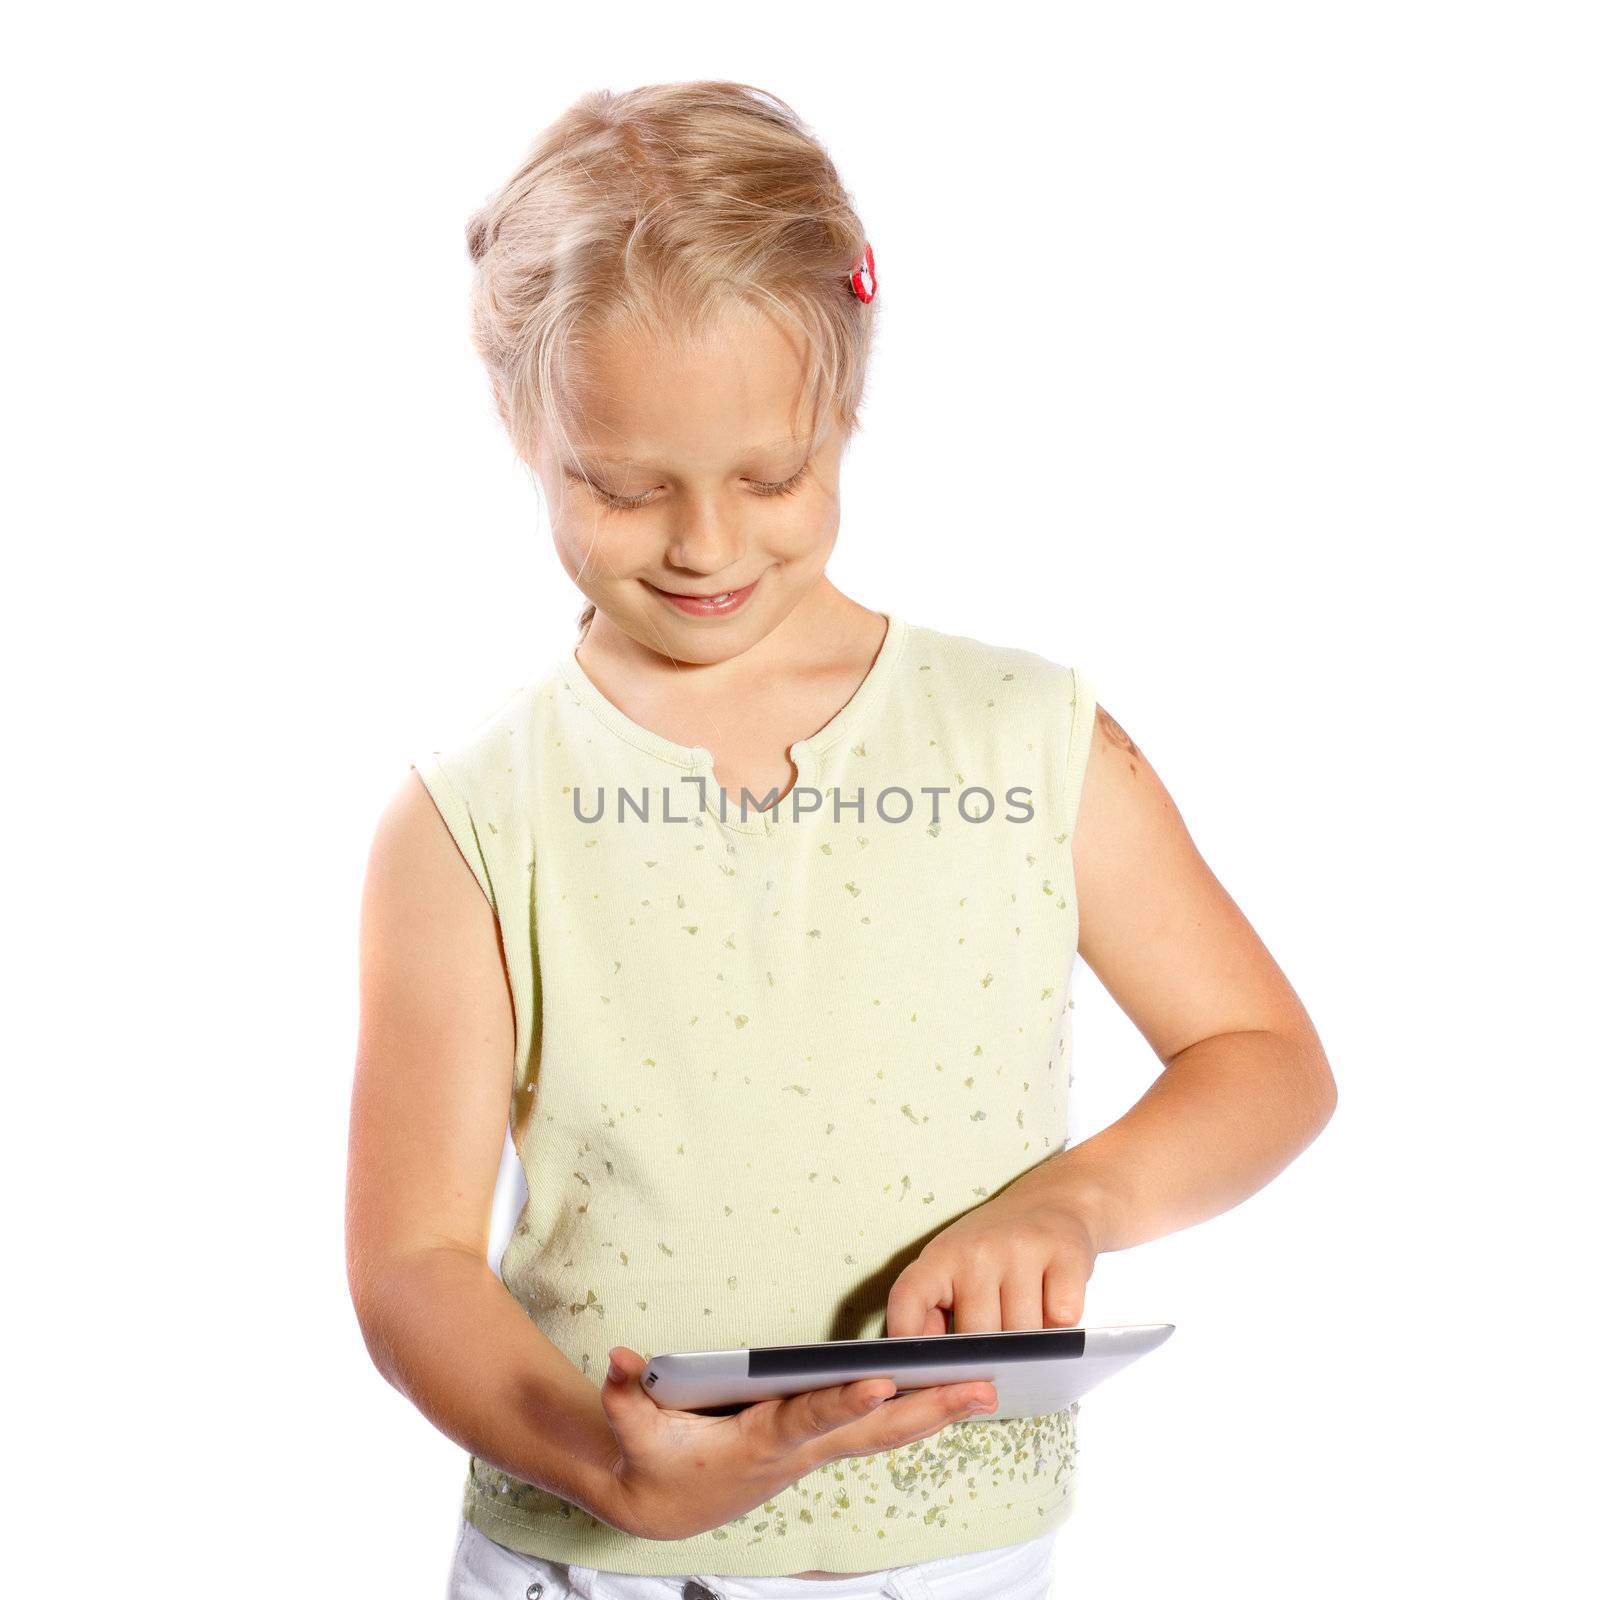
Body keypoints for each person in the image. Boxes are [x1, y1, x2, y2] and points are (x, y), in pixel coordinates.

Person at [344, 80, 1338, 1600]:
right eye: (624, 487)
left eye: (770, 476)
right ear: (526, 426)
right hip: (592, 1564)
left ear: (846, 410)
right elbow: (411, 1262)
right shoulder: (473, 819)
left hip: (960, 1553)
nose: (704, 543)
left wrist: (1074, 1199)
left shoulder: (1027, 740)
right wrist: (604, 1457)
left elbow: (1263, 1054)